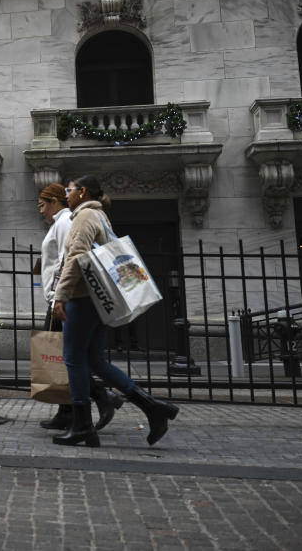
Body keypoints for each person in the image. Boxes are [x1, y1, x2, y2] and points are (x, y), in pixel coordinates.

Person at [51, 175, 179, 447]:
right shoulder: (101, 216)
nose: (67, 194)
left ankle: (83, 425)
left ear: (82, 192)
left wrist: (60, 296)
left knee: (73, 359)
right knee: (96, 361)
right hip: (97, 301)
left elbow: (77, 256)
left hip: (82, 298)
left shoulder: (84, 216)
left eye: (69, 189)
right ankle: (152, 407)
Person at [34, 183, 122, 432]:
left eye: (42, 205)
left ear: (53, 201)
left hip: (61, 300)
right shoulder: (60, 222)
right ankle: (67, 411)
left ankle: (103, 398)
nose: (41, 211)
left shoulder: (64, 223)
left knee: (66, 358)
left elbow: (67, 260)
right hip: (59, 297)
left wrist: (57, 296)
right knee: (64, 358)